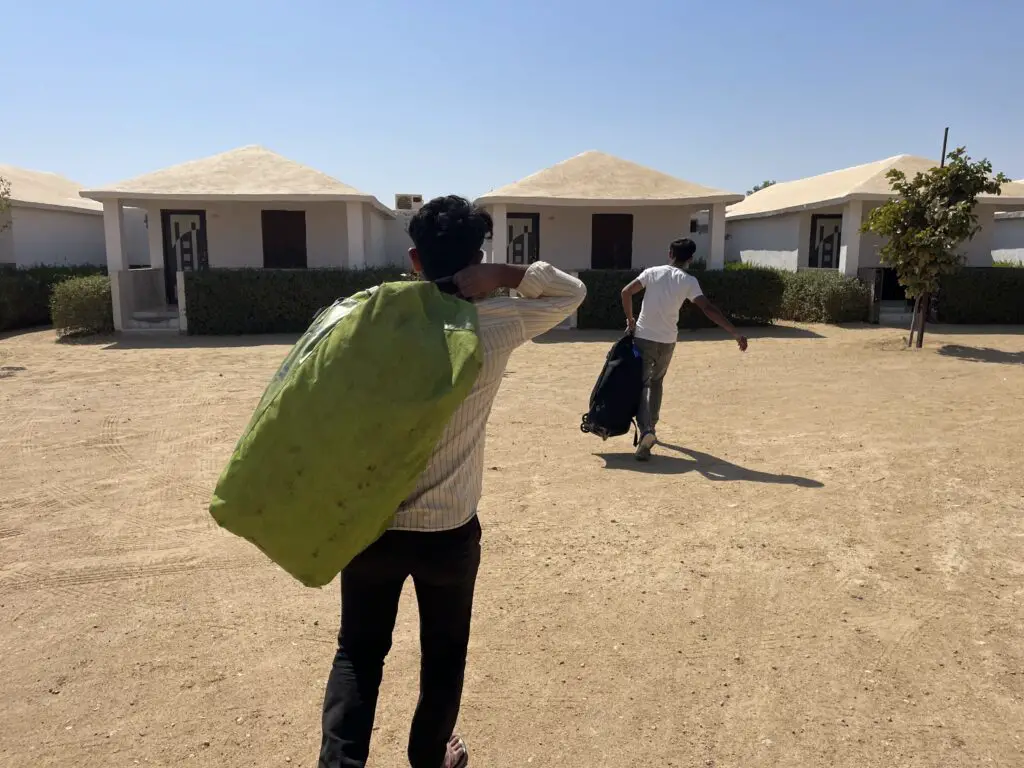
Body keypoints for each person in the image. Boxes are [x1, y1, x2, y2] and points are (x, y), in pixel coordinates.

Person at [319, 195, 587, 768]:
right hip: (449, 531)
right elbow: (572, 292)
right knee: (443, 656)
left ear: (414, 259)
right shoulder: (497, 323)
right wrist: (507, 274)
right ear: (478, 257)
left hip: (370, 524)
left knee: (358, 655)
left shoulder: (370, 317)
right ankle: (429, 757)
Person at [620, 238, 748, 461]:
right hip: (668, 340)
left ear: (670, 253)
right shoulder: (689, 281)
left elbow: (626, 292)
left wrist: (630, 319)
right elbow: (707, 308)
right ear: (690, 259)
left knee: (641, 385)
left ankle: (646, 431)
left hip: (644, 337)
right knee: (657, 382)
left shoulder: (652, 272)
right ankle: (652, 429)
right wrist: (734, 332)